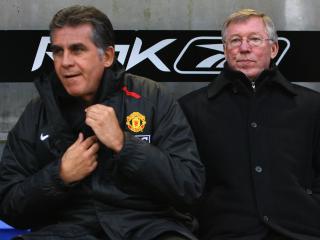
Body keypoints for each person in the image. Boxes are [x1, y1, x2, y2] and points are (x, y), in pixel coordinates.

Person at [0, 5, 205, 240]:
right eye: (58, 51)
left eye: (77, 50)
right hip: (66, 230)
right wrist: (59, 176)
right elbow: (9, 206)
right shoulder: (38, 112)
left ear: (107, 56)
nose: (65, 62)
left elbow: (189, 187)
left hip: (147, 227)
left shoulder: (152, 98)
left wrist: (124, 145)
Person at [179, 8, 320, 240]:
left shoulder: (311, 106)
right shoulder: (192, 108)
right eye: (235, 41)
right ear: (225, 50)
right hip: (225, 233)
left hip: (302, 232)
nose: (244, 48)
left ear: (273, 48)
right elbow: (184, 182)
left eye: (254, 39)